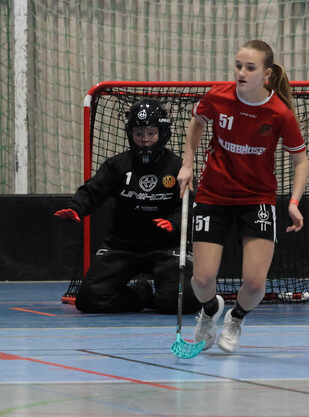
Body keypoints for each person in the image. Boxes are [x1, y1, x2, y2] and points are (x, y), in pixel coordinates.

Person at [176, 40, 308, 352]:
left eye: (250, 68)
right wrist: (187, 163)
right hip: (213, 195)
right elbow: (197, 122)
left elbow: (300, 161)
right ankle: (210, 310)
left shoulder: (279, 113)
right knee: (201, 281)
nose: (241, 73)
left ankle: (236, 318)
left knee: (255, 284)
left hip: (257, 199)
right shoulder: (218, 96)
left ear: (267, 73)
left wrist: (293, 202)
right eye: (238, 66)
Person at [55, 98, 200, 315]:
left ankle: (164, 297)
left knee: (184, 299)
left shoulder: (178, 167)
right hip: (122, 246)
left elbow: (190, 205)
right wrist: (76, 208)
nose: (144, 139)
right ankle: (141, 294)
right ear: (130, 134)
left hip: (166, 248)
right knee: (89, 298)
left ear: (162, 133)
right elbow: (92, 191)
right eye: (138, 133)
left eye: (150, 133)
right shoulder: (117, 165)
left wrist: (174, 223)